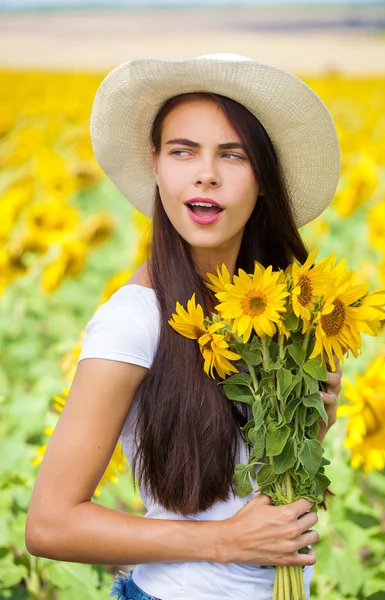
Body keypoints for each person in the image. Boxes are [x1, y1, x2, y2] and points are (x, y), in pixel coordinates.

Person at [25, 53, 343, 600]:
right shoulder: (133, 319)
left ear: (264, 178)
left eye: (232, 155)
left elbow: (259, 490)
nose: (206, 173)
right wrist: (223, 542)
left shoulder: (283, 306)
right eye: (183, 151)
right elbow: (49, 524)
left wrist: (315, 422)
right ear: (155, 166)